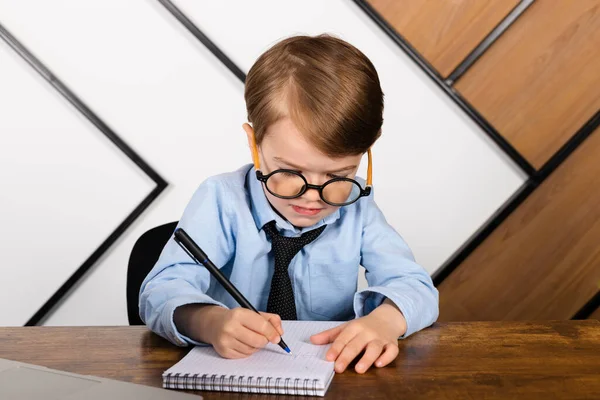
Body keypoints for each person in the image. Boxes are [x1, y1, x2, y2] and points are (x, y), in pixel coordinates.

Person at [139, 34, 438, 374]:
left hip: (329, 378)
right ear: (254, 144)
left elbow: (415, 286)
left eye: (339, 175)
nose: (312, 195)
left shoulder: (358, 213)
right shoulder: (219, 199)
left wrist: (386, 320)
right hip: (232, 377)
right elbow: (160, 291)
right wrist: (209, 322)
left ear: (366, 153)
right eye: (290, 171)